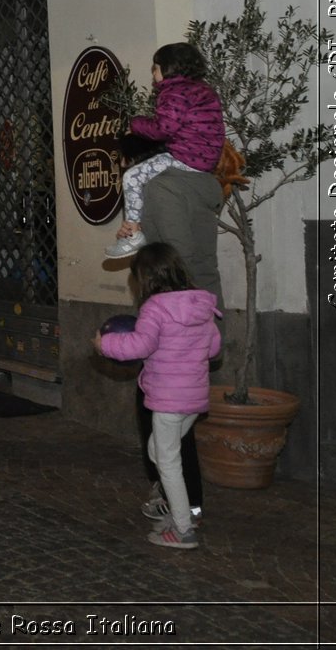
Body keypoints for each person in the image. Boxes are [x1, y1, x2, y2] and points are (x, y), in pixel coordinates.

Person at [96, 243, 221, 550]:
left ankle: (182, 528)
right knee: (159, 450)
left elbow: (140, 346)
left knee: (167, 461)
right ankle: (180, 513)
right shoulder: (201, 304)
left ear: (146, 278)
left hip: (167, 399)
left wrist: (105, 344)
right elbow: (215, 348)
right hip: (193, 399)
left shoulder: (155, 308)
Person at [105, 43, 224, 259]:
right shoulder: (205, 91)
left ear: (169, 68)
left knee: (132, 177)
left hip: (185, 157)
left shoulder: (174, 92)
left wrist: (135, 124)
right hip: (205, 160)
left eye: (155, 67)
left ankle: (132, 233)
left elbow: (164, 128)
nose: (152, 72)